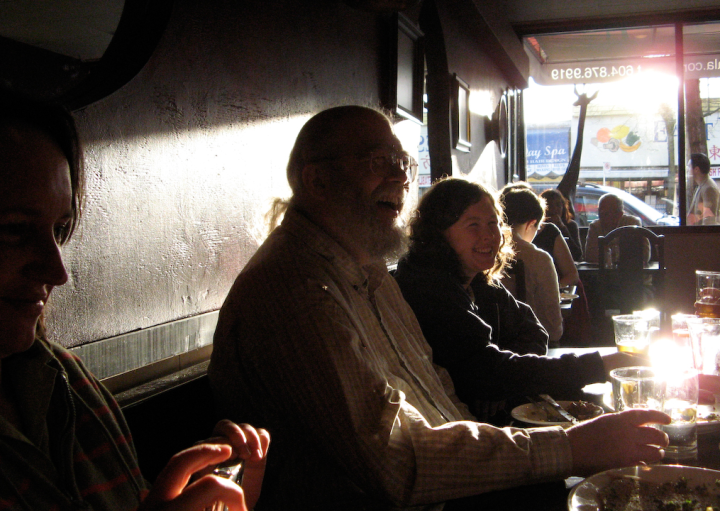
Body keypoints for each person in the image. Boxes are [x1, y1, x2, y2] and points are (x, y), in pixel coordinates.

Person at [209, 105, 670, 511]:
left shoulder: (368, 272)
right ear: (318, 180)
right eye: (379, 162)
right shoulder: (297, 289)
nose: (401, 177)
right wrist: (569, 446)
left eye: (403, 162)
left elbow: (440, 393)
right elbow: (396, 464)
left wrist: (549, 449)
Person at [0, 89, 270, 511]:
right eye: (14, 230)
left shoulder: (66, 379)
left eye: (59, 231)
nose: (58, 273)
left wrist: (191, 497)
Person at [393, 177, 638, 423]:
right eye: (473, 225)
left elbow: (533, 328)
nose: (489, 235)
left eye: (493, 223)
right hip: (445, 425)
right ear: (439, 233)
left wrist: (502, 381)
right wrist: (598, 365)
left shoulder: (476, 279)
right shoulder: (428, 286)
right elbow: (483, 369)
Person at [499, 185, 564, 345]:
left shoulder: (486, 253)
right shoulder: (539, 259)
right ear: (531, 224)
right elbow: (554, 329)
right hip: (534, 348)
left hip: (492, 346)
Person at [584, 193, 650, 265]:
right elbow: (590, 256)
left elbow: (645, 254)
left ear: (620, 214)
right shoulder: (595, 226)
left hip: (631, 272)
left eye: (605, 213)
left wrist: (608, 252)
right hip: (604, 274)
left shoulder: (632, 223)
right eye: (599, 212)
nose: (601, 216)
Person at [538, 188, 583, 262]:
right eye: (550, 206)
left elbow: (577, 255)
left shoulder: (571, 225)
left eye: (558, 205)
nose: (555, 209)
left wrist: (562, 227)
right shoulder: (538, 227)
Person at [687, 152, 720, 225]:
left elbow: (709, 220)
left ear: (696, 169)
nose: (687, 169)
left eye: (689, 166)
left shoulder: (709, 188)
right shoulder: (702, 184)